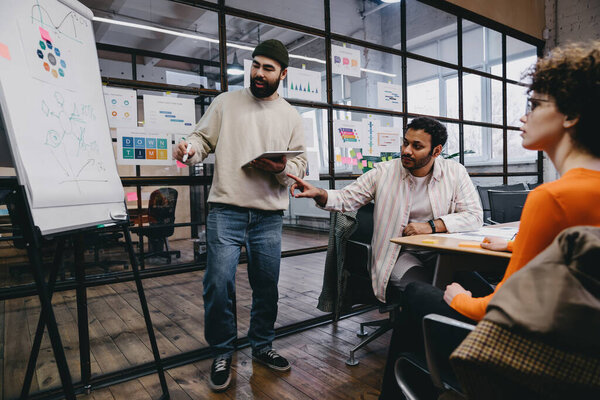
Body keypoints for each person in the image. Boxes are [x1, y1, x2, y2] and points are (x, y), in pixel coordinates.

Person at [379, 40, 600, 399]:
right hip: (583, 343)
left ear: (572, 115)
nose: (524, 116)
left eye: (535, 105)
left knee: (424, 291)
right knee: (467, 272)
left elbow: (497, 310)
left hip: (531, 353)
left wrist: (459, 299)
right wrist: (516, 243)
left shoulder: (551, 198)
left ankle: (406, 390)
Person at [173, 39, 306, 392]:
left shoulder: (291, 116)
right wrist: (188, 150)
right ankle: (222, 351)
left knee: (267, 286)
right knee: (218, 283)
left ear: (283, 74)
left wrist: (280, 168)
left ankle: (261, 345)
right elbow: (200, 140)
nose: (258, 74)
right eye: (256, 65)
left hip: (268, 216)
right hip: (226, 211)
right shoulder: (225, 103)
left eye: (268, 68)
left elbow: (300, 165)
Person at [288, 116, 483, 305]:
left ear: (436, 151)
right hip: (400, 254)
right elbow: (345, 198)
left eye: (417, 146)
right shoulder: (383, 172)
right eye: (405, 143)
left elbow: (474, 216)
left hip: (443, 254)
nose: (406, 150)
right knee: (429, 295)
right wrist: (318, 193)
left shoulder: (454, 172)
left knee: (484, 293)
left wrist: (431, 226)